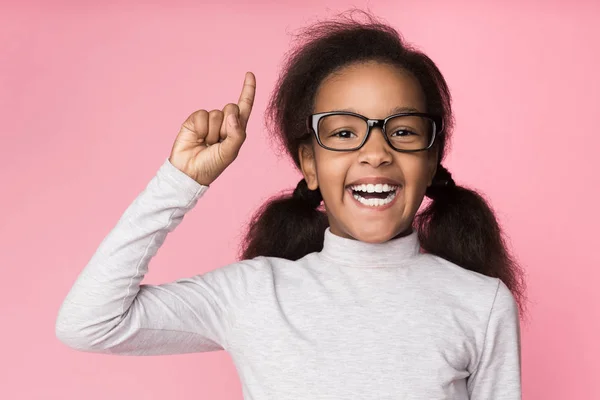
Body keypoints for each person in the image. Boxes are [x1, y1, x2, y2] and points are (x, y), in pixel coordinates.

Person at [56, 11, 526, 400]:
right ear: (310, 163)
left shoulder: (480, 304)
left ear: (431, 159)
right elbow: (90, 324)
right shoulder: (255, 293)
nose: (376, 152)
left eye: (403, 131)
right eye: (344, 132)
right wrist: (180, 182)